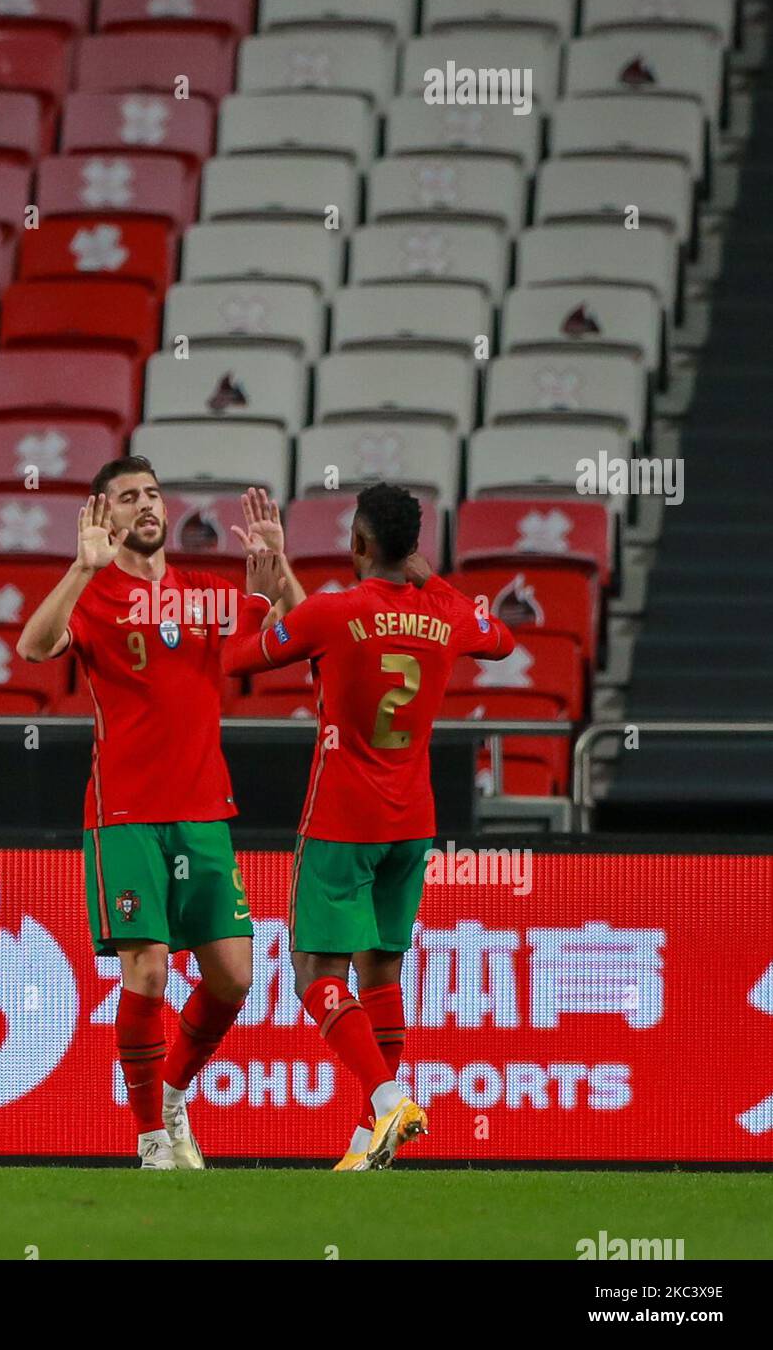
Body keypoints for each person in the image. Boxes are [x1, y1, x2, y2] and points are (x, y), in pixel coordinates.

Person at [17, 457, 304, 1169]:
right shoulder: (93, 594)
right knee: (146, 971)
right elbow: (33, 646)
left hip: (204, 810)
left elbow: (299, 631)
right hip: (125, 813)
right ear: (103, 517)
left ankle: (172, 1093)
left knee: (234, 975)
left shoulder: (205, 596)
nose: (146, 506)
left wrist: (281, 569)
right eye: (127, 499)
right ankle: (150, 1139)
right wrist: (82, 570)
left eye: (151, 495)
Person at [222, 482, 516, 1170]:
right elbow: (502, 640)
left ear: (357, 544)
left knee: (312, 973)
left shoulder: (333, 613)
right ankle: (365, 1140)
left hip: (341, 818)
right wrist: (433, 581)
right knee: (380, 970)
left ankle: (387, 1101)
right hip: (412, 820)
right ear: (413, 549)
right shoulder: (445, 616)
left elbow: (232, 662)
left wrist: (257, 595)